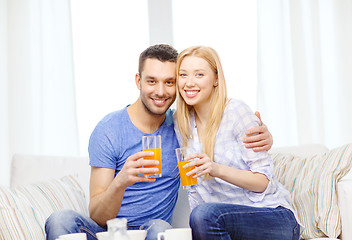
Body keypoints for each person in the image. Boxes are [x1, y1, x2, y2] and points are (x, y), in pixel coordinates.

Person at [45, 44, 273, 240]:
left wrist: (263, 133)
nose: (161, 91)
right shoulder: (108, 130)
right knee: (60, 219)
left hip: (152, 231)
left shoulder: (182, 127)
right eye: (152, 81)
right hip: (110, 233)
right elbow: (97, 215)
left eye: (169, 82)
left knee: (163, 229)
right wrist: (121, 181)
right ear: (138, 81)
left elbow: (220, 124)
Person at [174, 46, 301, 240]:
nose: (189, 83)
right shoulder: (180, 122)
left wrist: (215, 169)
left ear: (216, 79)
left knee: (203, 215)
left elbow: (262, 182)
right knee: (200, 217)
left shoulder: (236, 112)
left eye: (199, 74)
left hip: (272, 216)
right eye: (183, 75)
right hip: (219, 222)